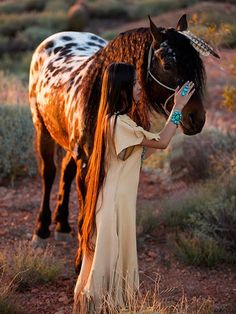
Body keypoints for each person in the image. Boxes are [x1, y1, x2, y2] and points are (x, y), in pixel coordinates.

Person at [73, 62, 195, 313]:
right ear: (123, 89)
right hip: (116, 204)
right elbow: (161, 142)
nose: (140, 87)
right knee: (109, 259)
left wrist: (171, 110)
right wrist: (178, 108)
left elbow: (143, 153)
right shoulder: (119, 123)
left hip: (114, 201)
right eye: (136, 84)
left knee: (106, 258)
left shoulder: (114, 121)